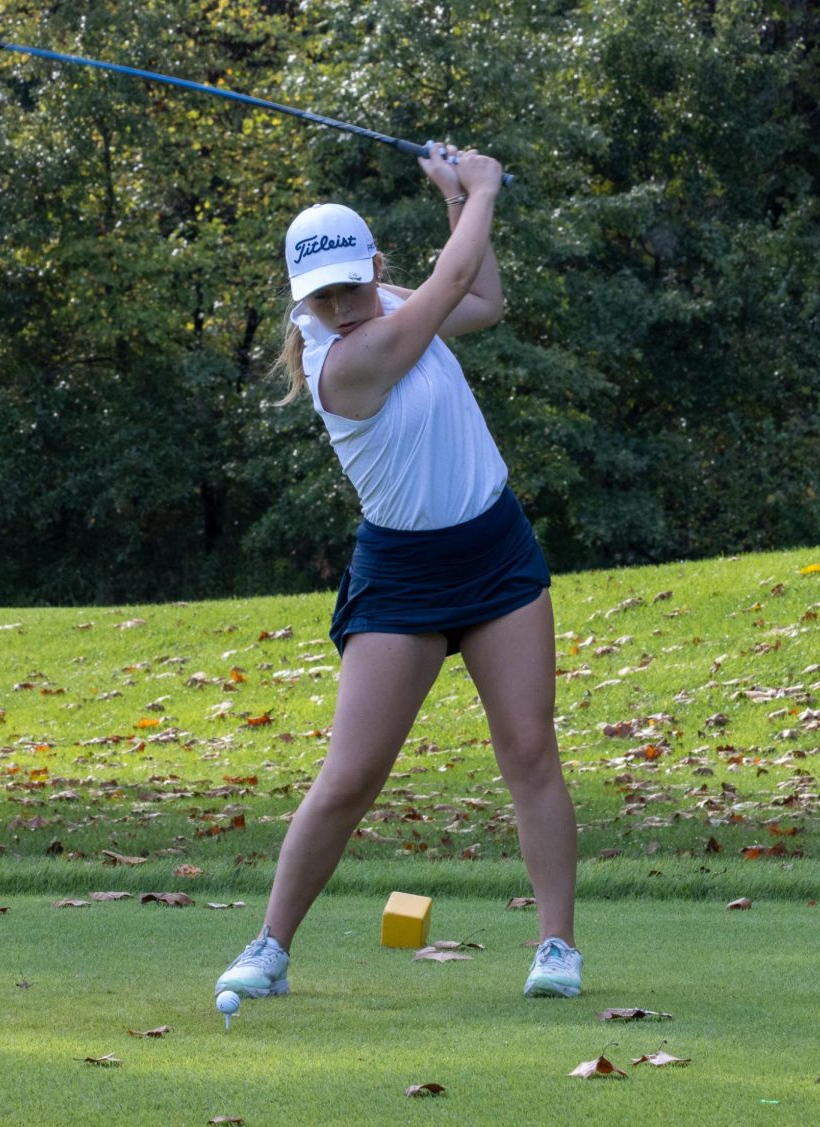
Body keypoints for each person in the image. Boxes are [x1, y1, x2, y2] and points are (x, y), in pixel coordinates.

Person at [213, 143, 582, 1004]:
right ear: (300, 301)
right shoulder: (345, 363)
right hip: (405, 576)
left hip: (494, 550)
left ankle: (556, 947)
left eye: (350, 286)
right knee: (351, 775)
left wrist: (459, 203)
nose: (341, 307)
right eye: (322, 297)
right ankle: (269, 945)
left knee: (529, 747)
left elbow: (483, 297)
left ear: (374, 268)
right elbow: (454, 288)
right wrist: (482, 189)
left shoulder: (391, 304)